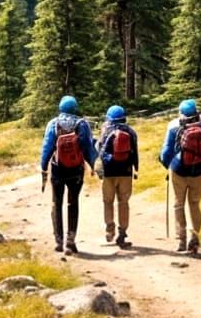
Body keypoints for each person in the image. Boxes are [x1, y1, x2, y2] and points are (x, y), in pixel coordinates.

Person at [39, 94, 97, 254]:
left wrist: (43, 166)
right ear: (75, 108)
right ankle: (70, 240)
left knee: (56, 203)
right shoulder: (82, 124)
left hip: (58, 169)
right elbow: (87, 148)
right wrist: (92, 165)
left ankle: (58, 241)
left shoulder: (53, 123)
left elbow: (47, 147)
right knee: (73, 203)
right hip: (76, 170)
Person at [158, 96, 201, 255]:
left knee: (178, 204)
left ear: (180, 113)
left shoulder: (173, 126)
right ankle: (194, 236)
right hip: (199, 171)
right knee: (194, 204)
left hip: (179, 170)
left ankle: (181, 240)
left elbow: (166, 153)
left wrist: (167, 165)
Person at [96, 104, 139, 247]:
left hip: (109, 173)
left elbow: (99, 150)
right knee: (123, 202)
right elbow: (135, 153)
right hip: (126, 172)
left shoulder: (105, 131)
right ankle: (122, 233)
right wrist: (135, 168)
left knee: (108, 201)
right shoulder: (131, 132)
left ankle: (110, 228)